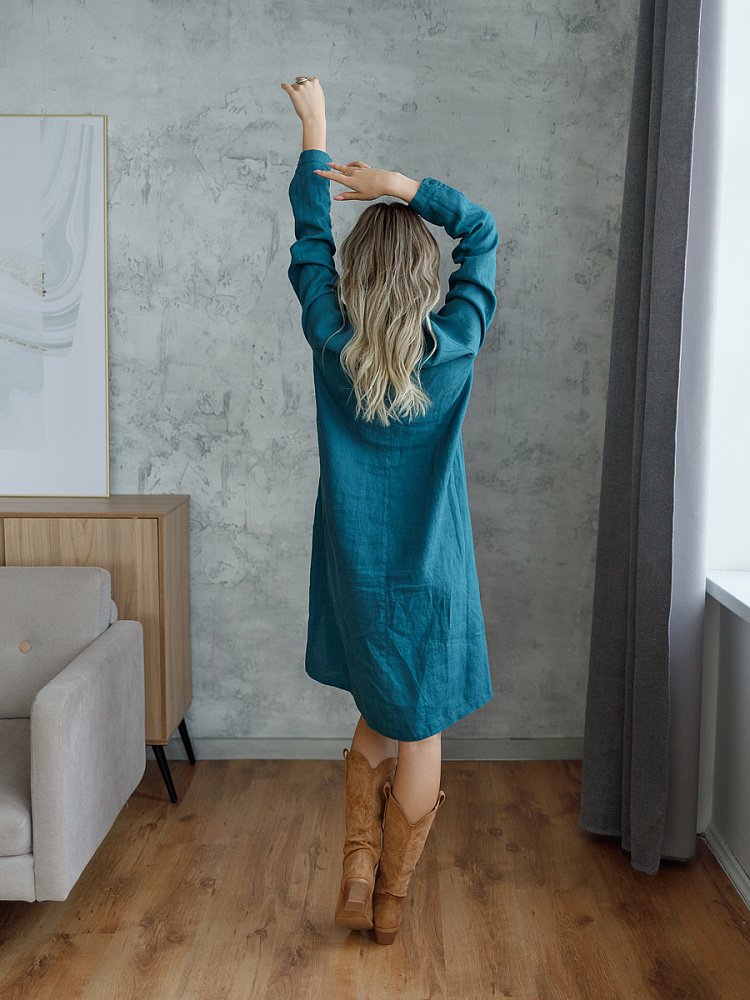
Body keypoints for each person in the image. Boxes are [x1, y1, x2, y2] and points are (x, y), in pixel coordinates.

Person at [281, 75, 498, 945]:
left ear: (357, 277)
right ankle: (393, 902)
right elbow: (482, 232)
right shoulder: (456, 342)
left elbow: (309, 242)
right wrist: (403, 187)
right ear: (425, 278)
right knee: (420, 725)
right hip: (434, 572)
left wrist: (316, 130)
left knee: (379, 707)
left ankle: (356, 874)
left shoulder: (330, 337)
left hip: (355, 565)